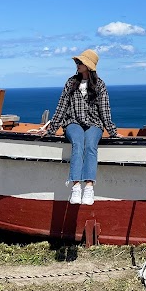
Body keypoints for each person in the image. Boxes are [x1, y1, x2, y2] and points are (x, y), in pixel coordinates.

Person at [38, 49, 120, 205]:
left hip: (94, 123)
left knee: (90, 145)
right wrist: (51, 130)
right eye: (77, 62)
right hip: (73, 122)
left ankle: (89, 187)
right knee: (77, 143)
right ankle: (76, 186)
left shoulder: (100, 85)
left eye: (80, 62)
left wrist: (113, 132)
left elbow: (104, 110)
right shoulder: (71, 83)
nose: (77, 64)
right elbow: (61, 107)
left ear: (89, 65)